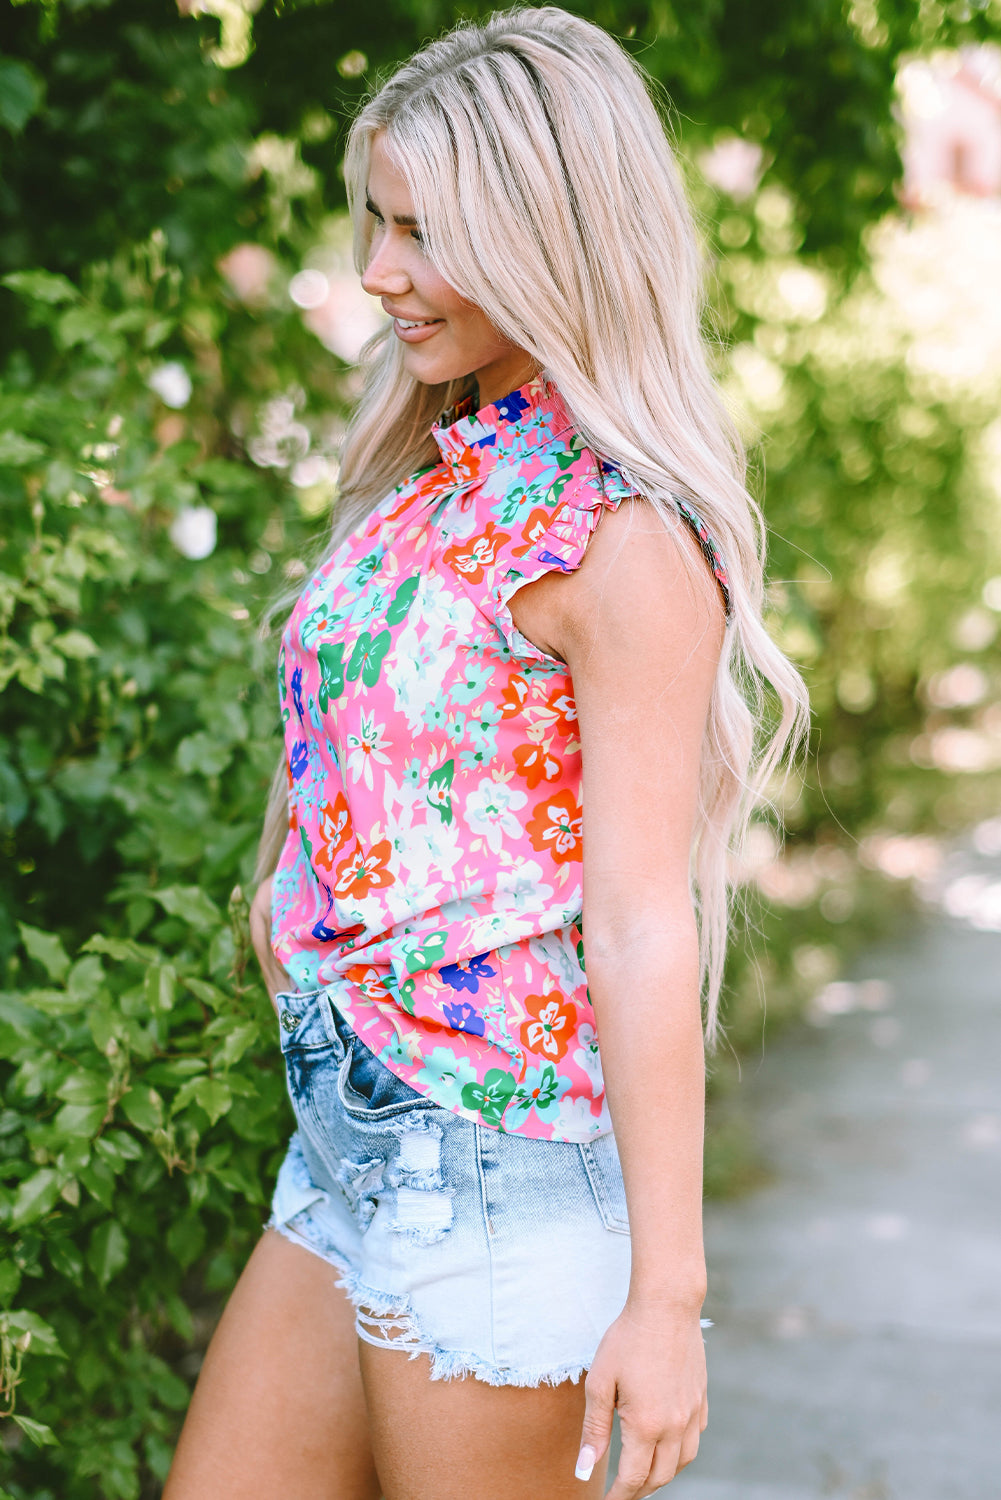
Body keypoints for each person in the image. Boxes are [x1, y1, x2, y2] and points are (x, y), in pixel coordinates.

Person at [164, 8, 808, 1499]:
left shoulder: (622, 537)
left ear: (548, 239)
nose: (378, 271)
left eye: (422, 233)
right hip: (339, 1152)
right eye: (375, 223)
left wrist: (665, 1298)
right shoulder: (440, 476)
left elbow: (645, 918)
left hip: (498, 1180)